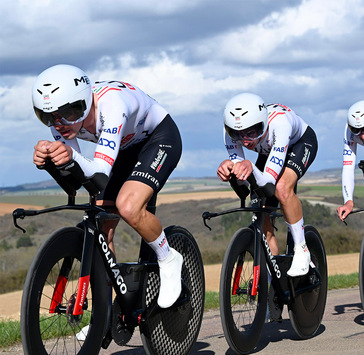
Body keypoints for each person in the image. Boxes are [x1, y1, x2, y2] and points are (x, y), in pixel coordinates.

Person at [32, 64, 183, 309]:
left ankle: (168, 258)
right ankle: (105, 310)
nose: (58, 124)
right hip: (122, 149)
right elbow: (78, 181)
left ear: (84, 101)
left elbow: (100, 171)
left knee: (128, 207)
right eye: (47, 116)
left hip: (157, 138)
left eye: (67, 113)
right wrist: (50, 161)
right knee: (101, 226)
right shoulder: (60, 122)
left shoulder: (113, 104)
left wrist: (68, 153)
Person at [217, 93, 318, 277]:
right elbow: (243, 183)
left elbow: (270, 182)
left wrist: (250, 166)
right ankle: (274, 281)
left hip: (299, 144)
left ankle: (302, 249)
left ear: (263, 124)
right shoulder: (229, 133)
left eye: (251, 132)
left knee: (282, 189)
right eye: (238, 134)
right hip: (268, 151)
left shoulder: (280, 124)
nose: (245, 141)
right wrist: (230, 171)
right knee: (261, 212)